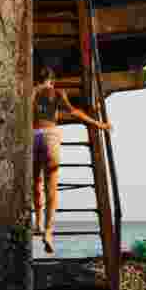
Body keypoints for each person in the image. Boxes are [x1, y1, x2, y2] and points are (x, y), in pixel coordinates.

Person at [33, 65, 111, 254]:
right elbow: (75, 112)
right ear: (52, 80)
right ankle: (49, 233)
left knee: (36, 183)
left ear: (37, 79)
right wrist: (99, 124)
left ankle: (38, 223)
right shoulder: (58, 92)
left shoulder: (31, 92)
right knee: (52, 188)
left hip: (33, 135)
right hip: (51, 136)